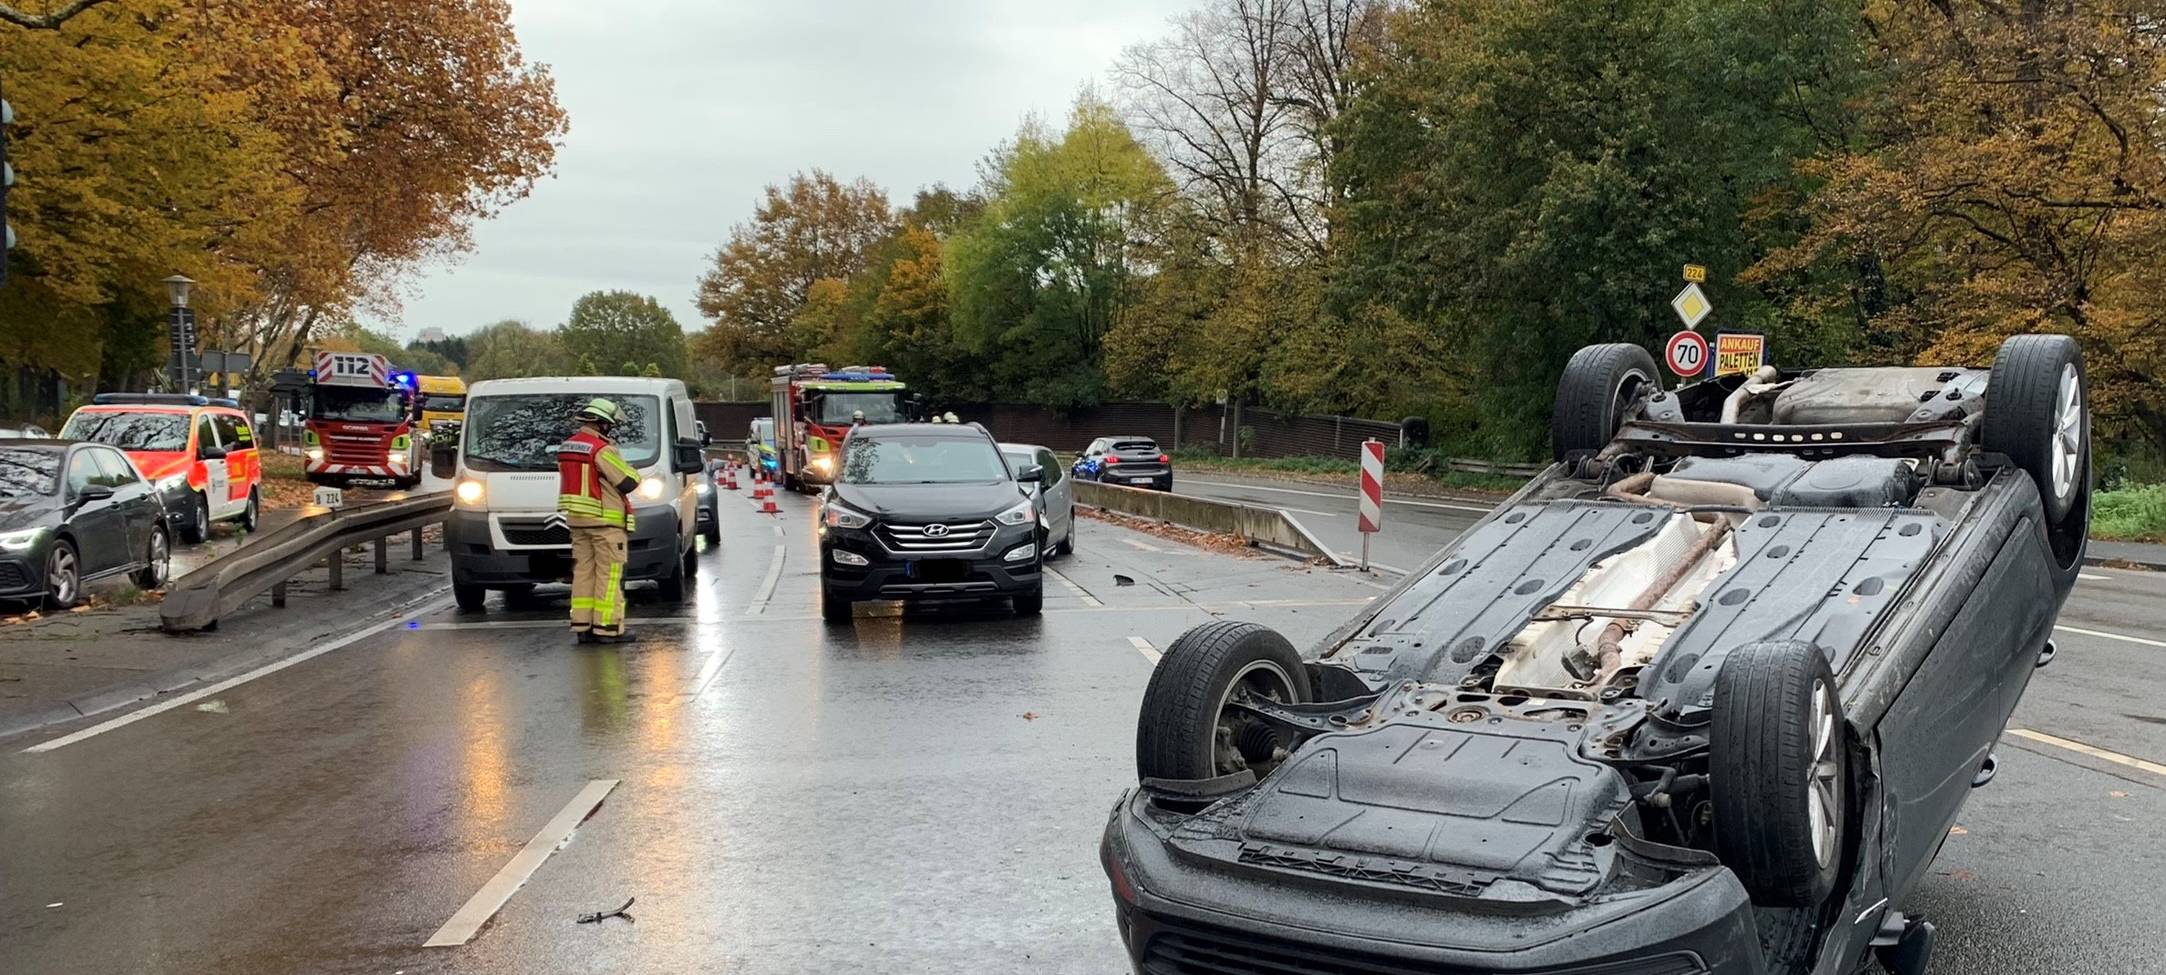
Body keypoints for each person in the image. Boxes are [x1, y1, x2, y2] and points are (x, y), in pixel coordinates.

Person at [557, 398, 642, 644]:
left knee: (584, 572)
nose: (611, 428)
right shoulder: (601, 449)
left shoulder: (567, 447)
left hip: (577, 522)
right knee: (609, 575)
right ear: (602, 424)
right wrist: (632, 470)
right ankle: (608, 627)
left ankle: (583, 626)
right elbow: (628, 482)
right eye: (610, 424)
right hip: (606, 522)